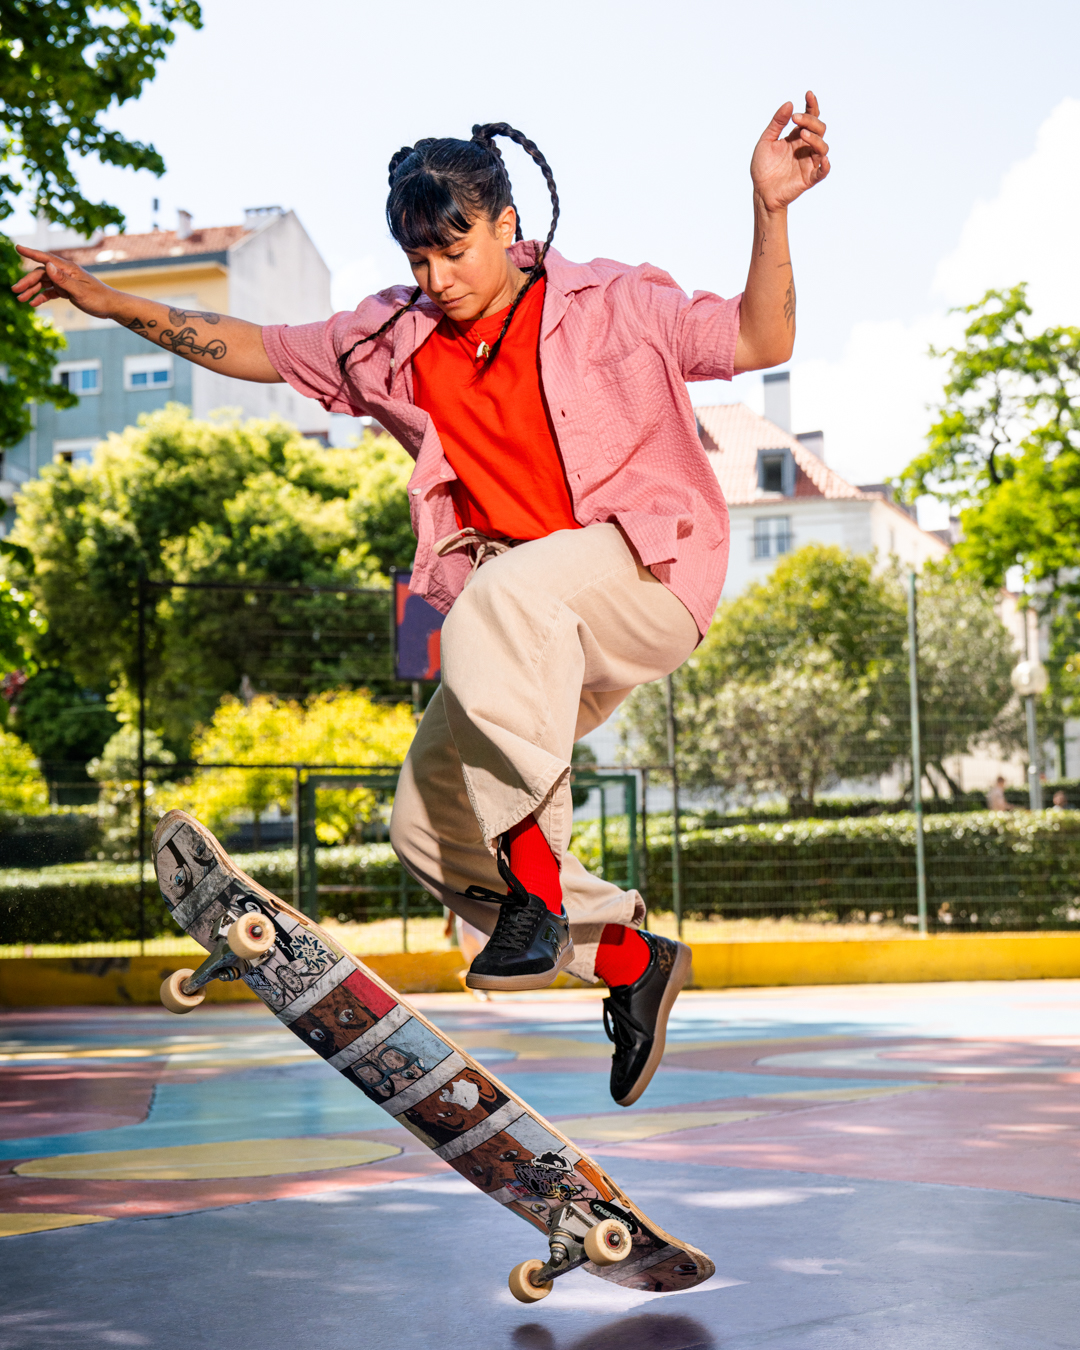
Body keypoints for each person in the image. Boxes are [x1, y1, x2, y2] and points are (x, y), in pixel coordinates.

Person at [13, 99, 830, 1107]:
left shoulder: (614, 303)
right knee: (426, 823)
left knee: (495, 596)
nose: (439, 278)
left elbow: (759, 334)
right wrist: (103, 300)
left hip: (648, 577)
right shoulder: (390, 340)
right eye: (418, 258)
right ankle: (629, 962)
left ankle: (536, 890)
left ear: (507, 226)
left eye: (456, 249)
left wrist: (770, 207)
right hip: (530, 631)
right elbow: (251, 343)